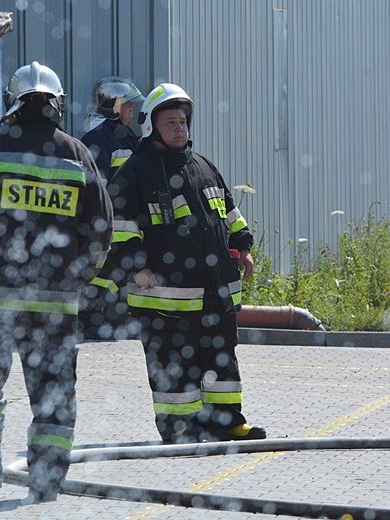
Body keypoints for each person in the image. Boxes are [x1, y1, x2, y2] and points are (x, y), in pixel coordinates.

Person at [0, 61, 112, 502]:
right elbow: (99, 229)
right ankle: (46, 481)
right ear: (55, 103)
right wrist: (78, 278)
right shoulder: (76, 153)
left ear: (15, 102)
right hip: (53, 304)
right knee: (54, 393)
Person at [100, 83, 266, 443]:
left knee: (221, 357)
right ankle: (180, 429)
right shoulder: (134, 173)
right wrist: (135, 267)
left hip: (215, 291)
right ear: (151, 127)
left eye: (183, 122)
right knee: (174, 365)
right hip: (164, 299)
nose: (180, 129)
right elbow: (117, 231)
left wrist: (244, 247)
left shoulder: (203, 167)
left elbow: (230, 215)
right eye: (171, 122)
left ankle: (227, 422)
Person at [78, 76, 144, 340]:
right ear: (114, 106)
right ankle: (91, 323)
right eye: (127, 106)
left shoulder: (126, 137)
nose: (132, 110)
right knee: (100, 277)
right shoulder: (97, 138)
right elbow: (96, 187)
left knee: (117, 279)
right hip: (108, 228)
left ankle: (110, 323)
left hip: (127, 229)